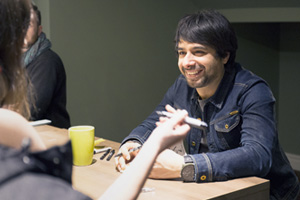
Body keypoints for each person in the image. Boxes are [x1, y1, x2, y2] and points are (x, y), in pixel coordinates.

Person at [0, 2, 190, 200]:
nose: (188, 62)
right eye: (182, 52)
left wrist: (149, 145)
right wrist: (150, 145)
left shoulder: (46, 62)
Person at [115, 10, 300, 199]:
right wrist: (133, 143)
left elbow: (258, 156)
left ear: (225, 55)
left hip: (267, 194)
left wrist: (183, 166)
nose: (187, 62)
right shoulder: (182, 85)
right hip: (215, 189)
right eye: (182, 52)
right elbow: (154, 121)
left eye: (198, 52)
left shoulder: (253, 90)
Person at [22, 3, 70, 129]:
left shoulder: (47, 61)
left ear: (39, 30)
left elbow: (29, 111)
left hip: (49, 138)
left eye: (29, 24)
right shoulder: (9, 62)